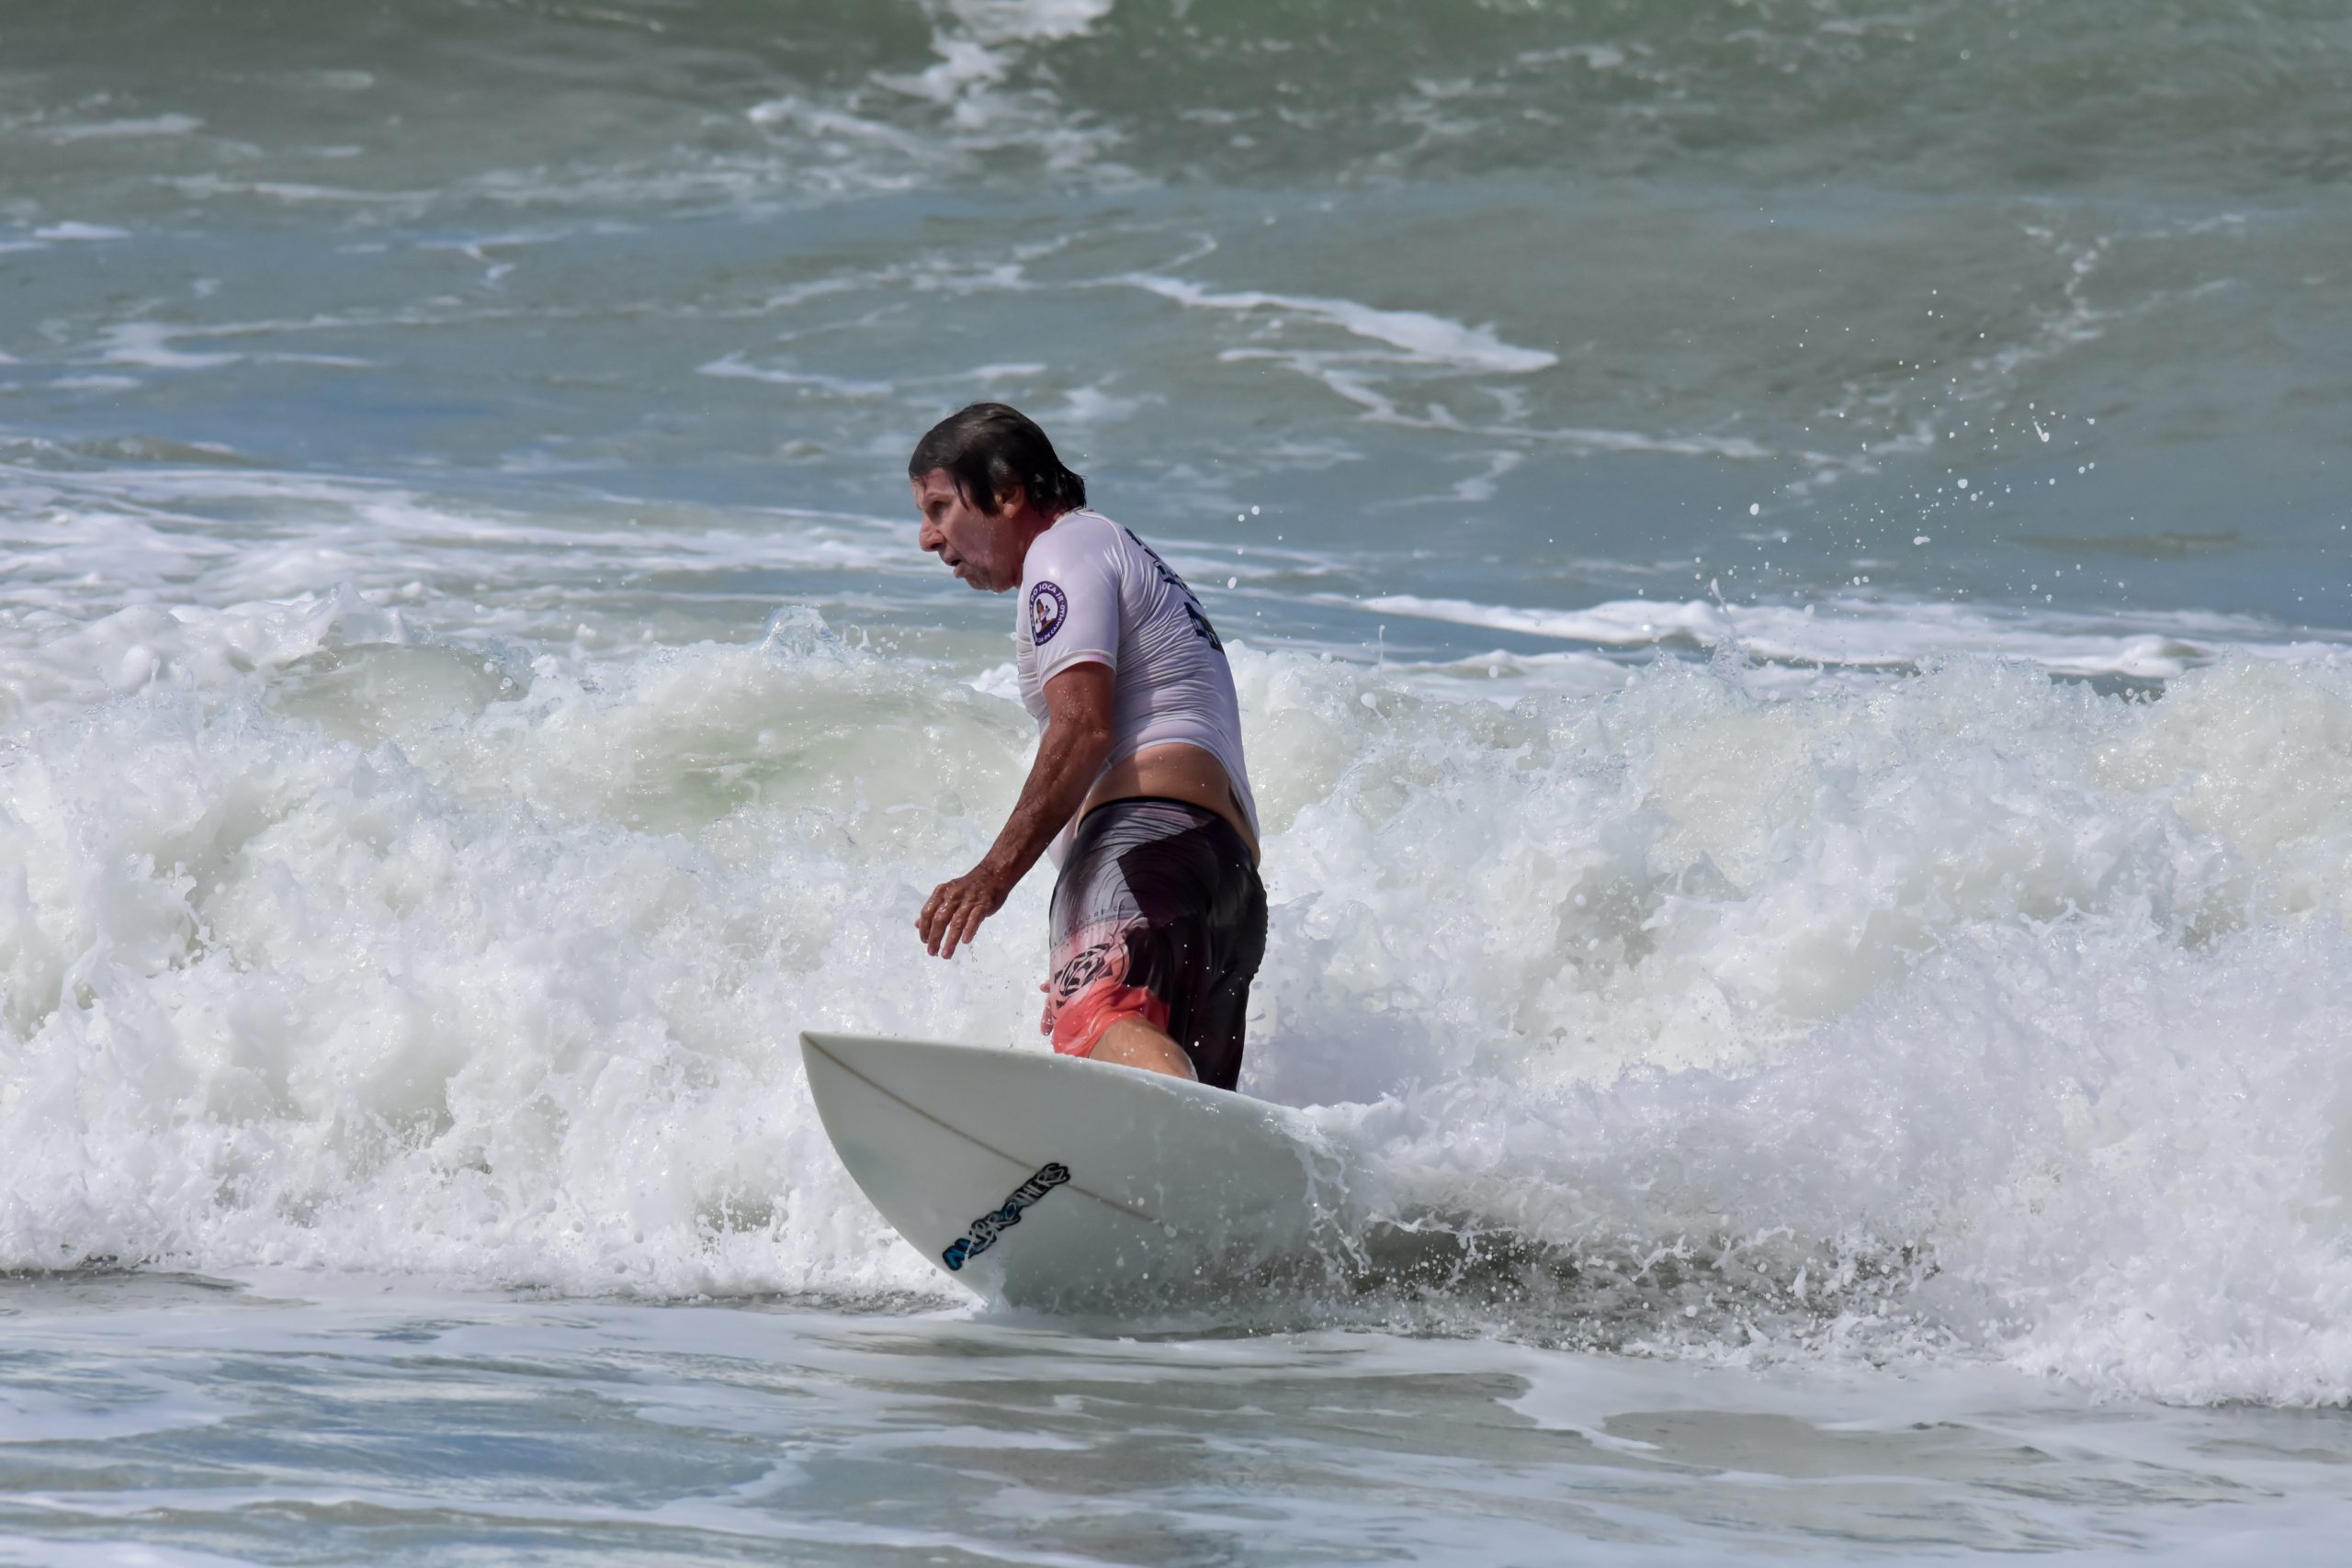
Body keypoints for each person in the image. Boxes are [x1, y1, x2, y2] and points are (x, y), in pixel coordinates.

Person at [909, 403, 1266, 1090]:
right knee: (1181, 1098)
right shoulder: (1120, 553)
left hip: (1143, 845)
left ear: (1007, 493)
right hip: (1226, 884)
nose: (928, 538)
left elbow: (1082, 728)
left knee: (1101, 1021)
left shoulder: (1062, 551)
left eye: (940, 507)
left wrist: (992, 875)